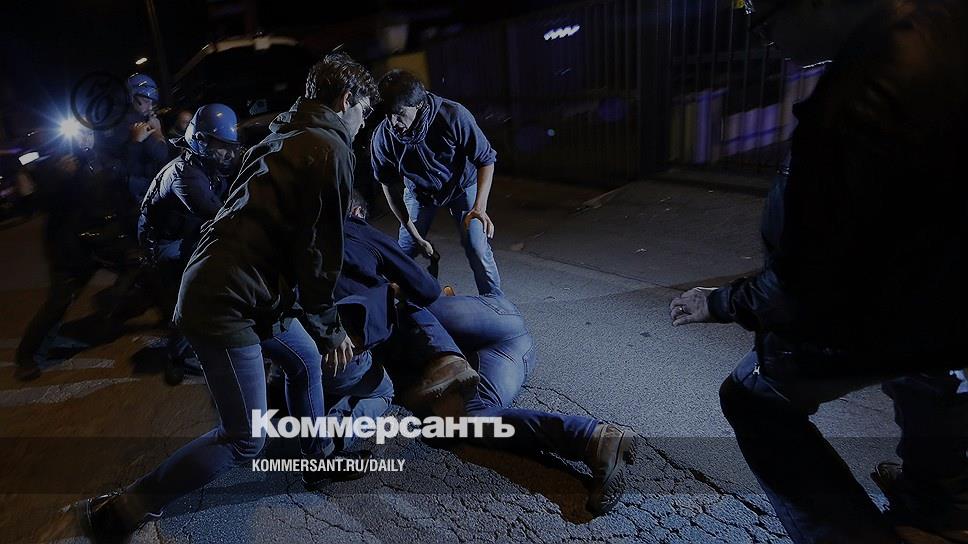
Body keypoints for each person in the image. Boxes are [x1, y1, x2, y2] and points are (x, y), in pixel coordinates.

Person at [669, 0, 968, 542]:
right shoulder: (937, 30)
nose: (760, 33)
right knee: (931, 367)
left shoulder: (860, 95)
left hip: (889, 306)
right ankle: (941, 507)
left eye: (762, 13)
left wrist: (717, 302)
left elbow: (803, 284)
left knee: (753, 399)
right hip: (940, 295)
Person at [78, 52, 378, 541]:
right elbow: (318, 249)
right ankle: (121, 511)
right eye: (364, 111)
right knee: (245, 438)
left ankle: (318, 458)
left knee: (304, 361)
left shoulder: (285, 133)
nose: (364, 124)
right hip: (227, 300)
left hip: (248, 289)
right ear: (346, 101)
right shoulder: (330, 147)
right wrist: (329, 326)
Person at [336, 197, 636, 515]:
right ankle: (596, 439)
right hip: (508, 351)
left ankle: (446, 360)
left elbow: (426, 291)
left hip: (490, 323)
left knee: (408, 305)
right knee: (472, 423)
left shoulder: (351, 239)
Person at [370, 69, 502, 296]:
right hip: (419, 193)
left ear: (419, 104)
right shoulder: (383, 137)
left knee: (477, 249)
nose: (393, 122)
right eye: (388, 114)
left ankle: (495, 303)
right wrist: (415, 236)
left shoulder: (453, 115)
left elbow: (486, 159)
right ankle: (389, 306)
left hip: (462, 186)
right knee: (403, 252)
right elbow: (388, 186)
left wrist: (479, 208)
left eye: (400, 114)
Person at [138, 103, 241, 383]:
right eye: (221, 146)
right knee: (193, 298)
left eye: (229, 146)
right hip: (165, 244)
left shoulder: (204, 164)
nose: (227, 153)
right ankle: (176, 357)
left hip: (185, 232)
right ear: (201, 141)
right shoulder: (186, 175)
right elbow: (220, 214)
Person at [14, 125, 123, 381]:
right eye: (79, 133)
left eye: (88, 132)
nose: (84, 137)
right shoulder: (54, 165)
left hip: (100, 240)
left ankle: (150, 315)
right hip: (70, 247)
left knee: (139, 266)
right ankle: (26, 355)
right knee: (59, 302)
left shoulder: (96, 158)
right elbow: (42, 204)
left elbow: (110, 186)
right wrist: (61, 177)